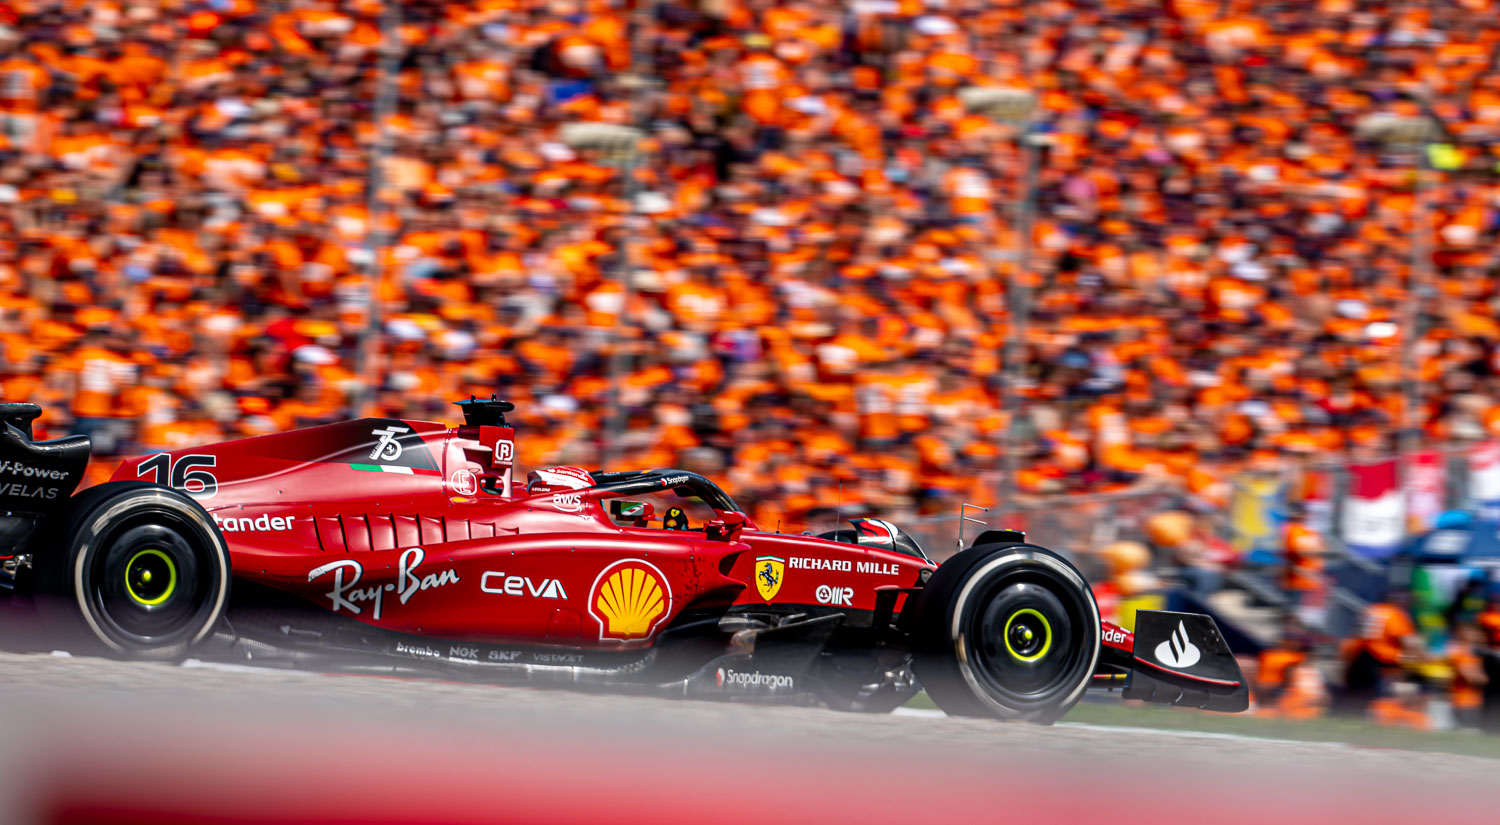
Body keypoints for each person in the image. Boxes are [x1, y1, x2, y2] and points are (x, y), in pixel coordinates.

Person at [1337, 591, 1423, 717]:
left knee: (1355, 695)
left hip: (1358, 656)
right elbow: (1408, 641)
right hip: (1379, 660)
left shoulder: (1370, 610)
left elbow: (1356, 634)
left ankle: (1348, 715)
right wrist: (1420, 658)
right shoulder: (1394, 613)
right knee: (1372, 695)